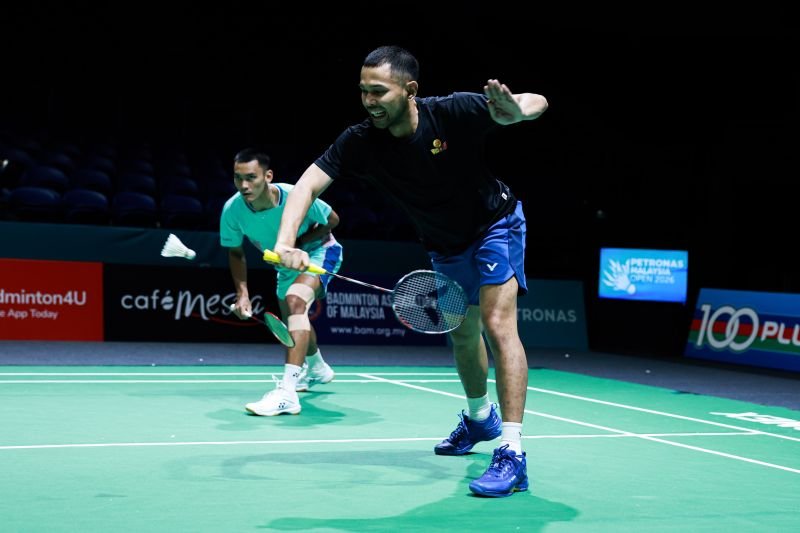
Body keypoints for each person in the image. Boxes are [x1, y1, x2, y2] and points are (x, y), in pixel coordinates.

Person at [272, 45, 548, 497]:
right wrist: (286, 242)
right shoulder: (360, 141)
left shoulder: (451, 112)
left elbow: (537, 101)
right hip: (444, 244)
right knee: (462, 335)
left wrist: (516, 112)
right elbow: (305, 186)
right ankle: (480, 419)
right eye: (363, 91)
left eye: (379, 91)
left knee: (498, 325)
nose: (369, 101)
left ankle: (512, 452)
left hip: (494, 224)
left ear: (410, 90)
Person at [221, 148, 343, 416]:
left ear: (268, 176)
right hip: (285, 265)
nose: (244, 185)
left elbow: (333, 220)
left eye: (251, 178)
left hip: (320, 252)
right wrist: (242, 294)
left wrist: (299, 242)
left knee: (295, 302)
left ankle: (287, 392)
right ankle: (318, 369)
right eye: (238, 178)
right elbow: (235, 252)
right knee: (294, 319)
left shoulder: (293, 195)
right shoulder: (232, 210)